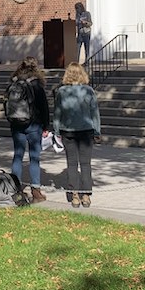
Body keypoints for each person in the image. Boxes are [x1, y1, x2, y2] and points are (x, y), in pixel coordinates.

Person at [52, 62, 101, 208]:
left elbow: (57, 113)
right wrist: (97, 130)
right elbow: (94, 113)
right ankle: (86, 195)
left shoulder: (61, 91)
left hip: (68, 131)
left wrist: (56, 130)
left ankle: (74, 195)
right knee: (85, 164)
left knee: (71, 163)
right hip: (86, 130)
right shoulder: (88, 91)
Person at [6, 57, 50, 202]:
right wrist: (46, 125)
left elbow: (6, 103)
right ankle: (36, 191)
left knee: (17, 156)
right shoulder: (36, 84)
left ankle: (15, 189)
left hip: (16, 124)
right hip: (34, 125)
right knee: (34, 158)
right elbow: (44, 107)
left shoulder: (14, 81)